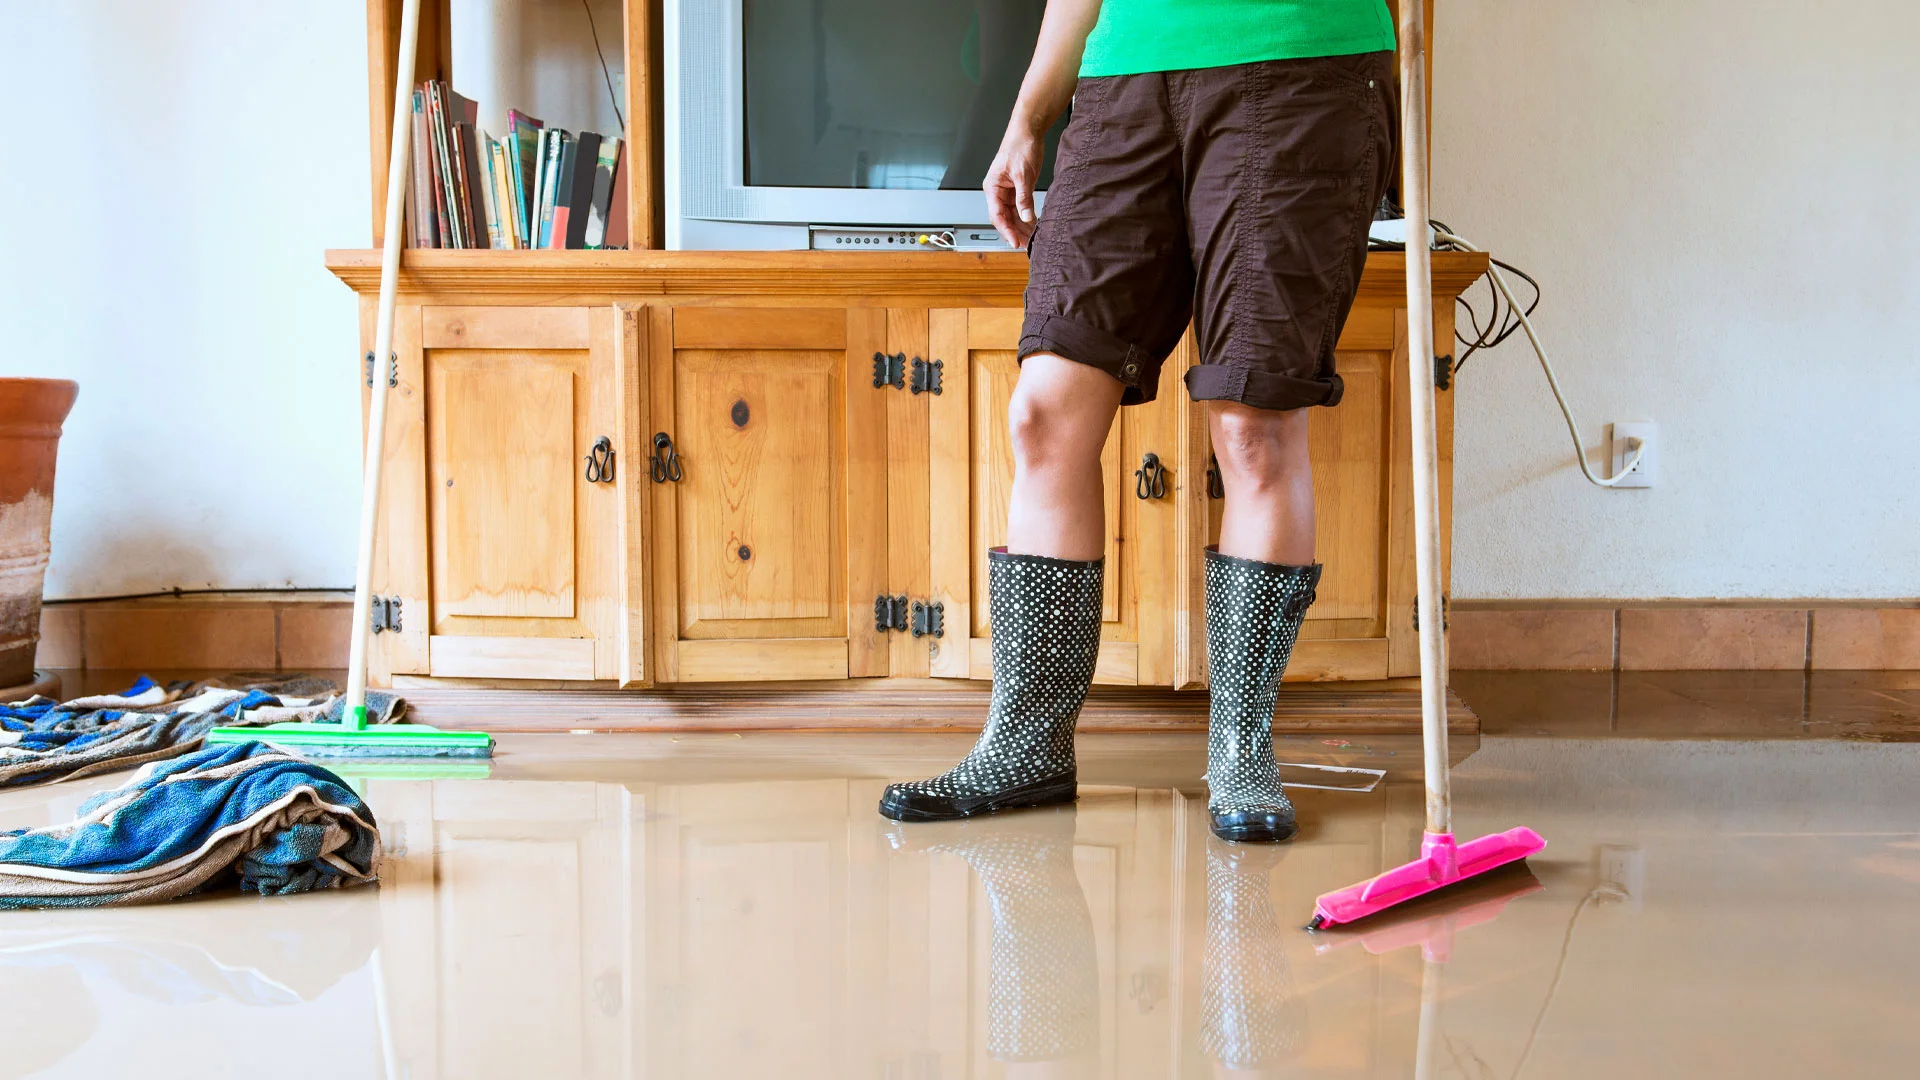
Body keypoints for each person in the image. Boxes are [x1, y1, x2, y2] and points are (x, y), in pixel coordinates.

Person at [881, 0, 1399, 843]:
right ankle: (1028, 744)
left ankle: (1240, 749)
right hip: (1126, 81)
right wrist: (1026, 119)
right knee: (1046, 413)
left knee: (1254, 428)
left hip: (1303, 63)